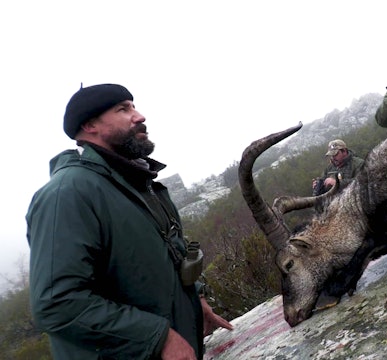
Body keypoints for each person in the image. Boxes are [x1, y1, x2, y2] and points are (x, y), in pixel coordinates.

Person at [26, 83, 233, 360]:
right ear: (90, 125)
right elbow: (56, 304)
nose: (139, 116)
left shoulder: (143, 185)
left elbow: (167, 258)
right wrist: (159, 338)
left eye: (133, 106)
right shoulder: (68, 194)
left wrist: (196, 299)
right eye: (123, 109)